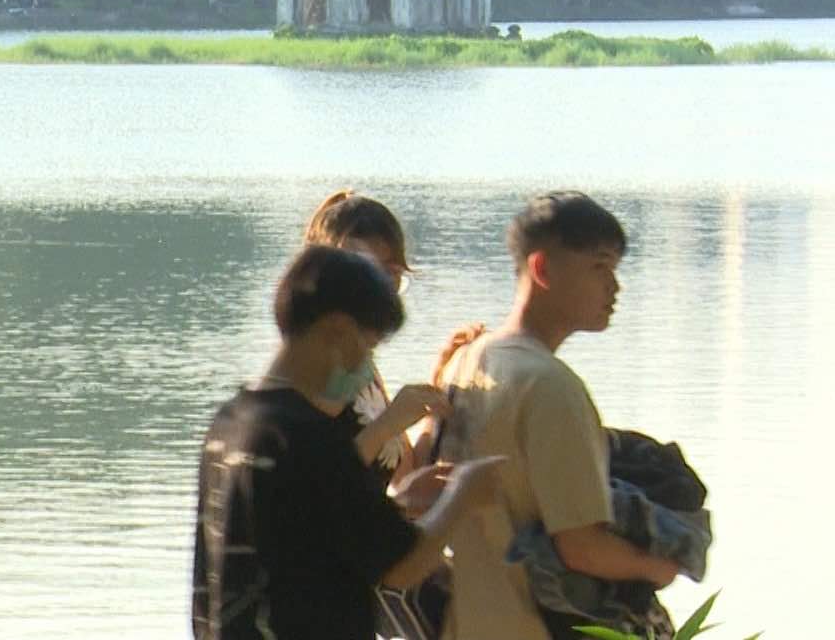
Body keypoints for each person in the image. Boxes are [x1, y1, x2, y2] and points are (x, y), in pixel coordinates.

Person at [192, 245, 504, 640]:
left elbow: (301, 532)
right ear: (338, 329)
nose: (367, 366)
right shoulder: (311, 438)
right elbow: (402, 565)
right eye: (368, 346)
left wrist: (399, 502)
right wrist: (464, 494)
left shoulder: (230, 422)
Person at [432, 192, 680, 640]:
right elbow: (582, 547)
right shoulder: (550, 386)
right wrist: (659, 567)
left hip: (467, 620)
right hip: (530, 626)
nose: (615, 287)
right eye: (599, 267)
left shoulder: (467, 359)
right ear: (542, 269)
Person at [303, 190, 450, 488]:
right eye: (363, 273)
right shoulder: (312, 369)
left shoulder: (362, 366)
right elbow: (313, 483)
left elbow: (404, 478)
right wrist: (390, 422)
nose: (377, 293)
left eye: (391, 276)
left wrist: (437, 401)